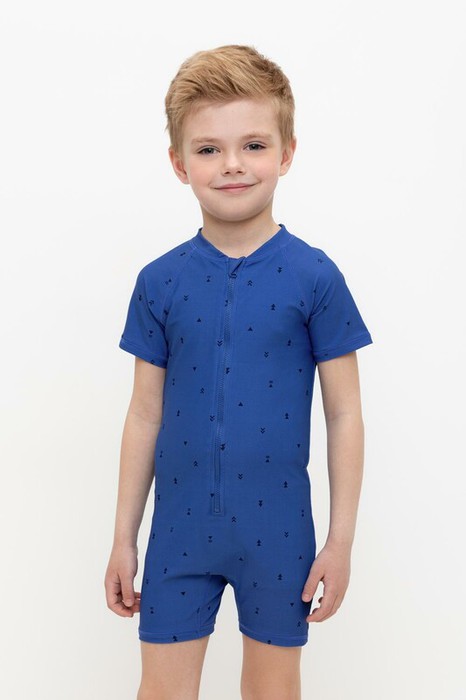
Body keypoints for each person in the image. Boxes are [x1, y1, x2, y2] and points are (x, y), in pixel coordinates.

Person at [104, 44, 373, 700]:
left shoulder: (315, 276)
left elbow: (344, 414)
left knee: (273, 691)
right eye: (208, 149)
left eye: (253, 145)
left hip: (279, 532)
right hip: (179, 531)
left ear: (287, 152)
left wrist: (340, 542)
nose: (232, 164)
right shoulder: (159, 282)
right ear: (179, 163)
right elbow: (144, 414)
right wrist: (123, 539)